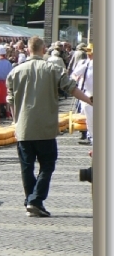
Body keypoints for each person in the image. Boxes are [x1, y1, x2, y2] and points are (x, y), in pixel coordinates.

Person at [6, 36, 92, 218]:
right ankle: (35, 200)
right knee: (47, 165)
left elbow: (11, 101)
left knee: (26, 167)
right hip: (45, 128)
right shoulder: (52, 68)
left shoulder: (15, 72)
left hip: (24, 127)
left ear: (28, 49)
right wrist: (90, 101)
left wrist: (15, 122)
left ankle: (31, 200)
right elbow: (71, 88)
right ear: (43, 49)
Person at [71, 43, 94, 145]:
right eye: (88, 52)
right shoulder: (86, 64)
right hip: (89, 96)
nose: (89, 54)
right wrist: (76, 78)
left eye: (91, 52)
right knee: (90, 120)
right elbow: (74, 74)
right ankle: (92, 139)